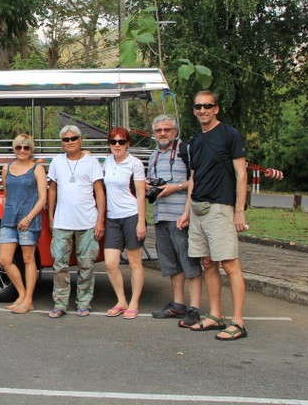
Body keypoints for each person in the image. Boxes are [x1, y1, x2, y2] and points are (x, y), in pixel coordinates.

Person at [177, 90, 248, 341]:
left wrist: (239, 212)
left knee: (229, 264)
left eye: (207, 106)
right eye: (198, 107)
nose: (203, 110)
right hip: (198, 209)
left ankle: (238, 322)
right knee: (207, 262)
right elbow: (193, 178)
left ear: (216, 108)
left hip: (220, 207)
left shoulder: (230, 134)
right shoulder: (195, 141)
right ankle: (216, 315)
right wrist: (186, 212)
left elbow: (241, 175)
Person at [147, 115, 203, 327]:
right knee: (172, 264)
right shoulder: (154, 155)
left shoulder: (185, 150)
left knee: (189, 262)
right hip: (161, 215)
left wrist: (177, 188)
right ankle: (178, 304)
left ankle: (195, 307)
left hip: (181, 216)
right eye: (159, 130)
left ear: (175, 131)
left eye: (167, 129)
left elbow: (197, 180)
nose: (163, 133)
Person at [47, 125, 105, 318]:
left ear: (80, 140)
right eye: (66, 139)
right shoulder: (57, 161)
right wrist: (51, 217)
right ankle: (60, 303)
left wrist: (100, 220)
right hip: (62, 222)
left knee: (86, 264)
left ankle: (84, 302)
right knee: (59, 264)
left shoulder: (92, 162)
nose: (70, 142)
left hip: (88, 222)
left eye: (73, 138)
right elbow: (52, 190)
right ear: (62, 142)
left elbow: (99, 192)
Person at [0, 134, 47, 314]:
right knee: (4, 260)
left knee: (28, 259)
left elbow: (43, 198)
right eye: (19, 147)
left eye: (26, 147)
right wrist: (5, 214)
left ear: (31, 150)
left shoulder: (37, 169)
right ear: (14, 149)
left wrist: (28, 218)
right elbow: (5, 194)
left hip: (29, 219)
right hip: (9, 219)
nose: (22, 150)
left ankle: (28, 301)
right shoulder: (7, 168)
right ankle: (22, 294)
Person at [102, 127, 146, 320]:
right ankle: (121, 300)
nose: (117, 145)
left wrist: (141, 221)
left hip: (131, 215)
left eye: (121, 142)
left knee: (134, 262)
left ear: (128, 144)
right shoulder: (107, 162)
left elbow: (141, 194)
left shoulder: (135, 163)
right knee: (110, 263)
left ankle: (134, 302)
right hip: (112, 217)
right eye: (113, 142)